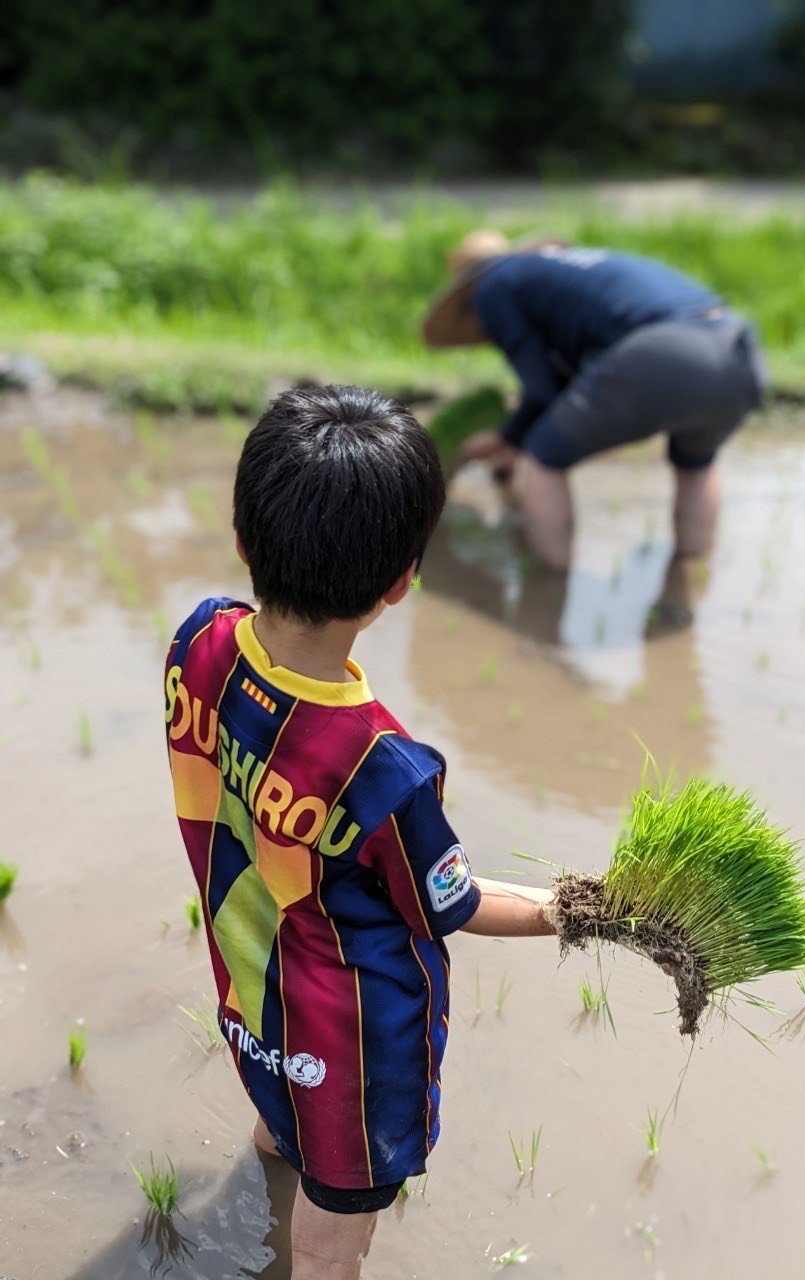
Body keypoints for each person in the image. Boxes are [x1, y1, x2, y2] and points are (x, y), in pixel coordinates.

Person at [162, 384, 556, 1280]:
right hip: (353, 1041)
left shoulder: (199, 640)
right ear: (400, 582)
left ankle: (271, 1162)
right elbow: (450, 905)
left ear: (242, 541)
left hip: (249, 968)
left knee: (278, 1109)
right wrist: (574, 908)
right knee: (329, 1250)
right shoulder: (380, 766)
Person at [422, 229, 766, 570]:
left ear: (468, 294)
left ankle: (548, 584)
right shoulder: (559, 271)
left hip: (663, 352)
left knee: (545, 457)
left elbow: (541, 391)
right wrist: (513, 441)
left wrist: (504, 438)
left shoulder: (492, 287)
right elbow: (567, 390)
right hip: (737, 350)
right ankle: (691, 576)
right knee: (696, 465)